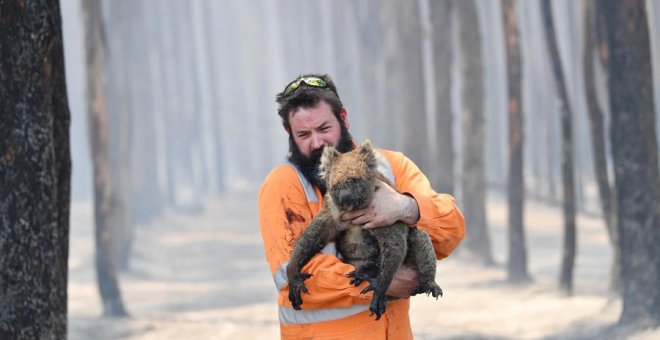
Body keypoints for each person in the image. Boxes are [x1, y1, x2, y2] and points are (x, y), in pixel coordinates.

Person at [258, 73, 465, 339]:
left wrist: (406, 207)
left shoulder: (391, 166)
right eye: (303, 134)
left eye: (324, 129)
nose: (316, 143)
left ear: (343, 118)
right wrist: (377, 281)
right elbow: (289, 275)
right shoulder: (283, 185)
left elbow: (452, 229)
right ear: (289, 133)